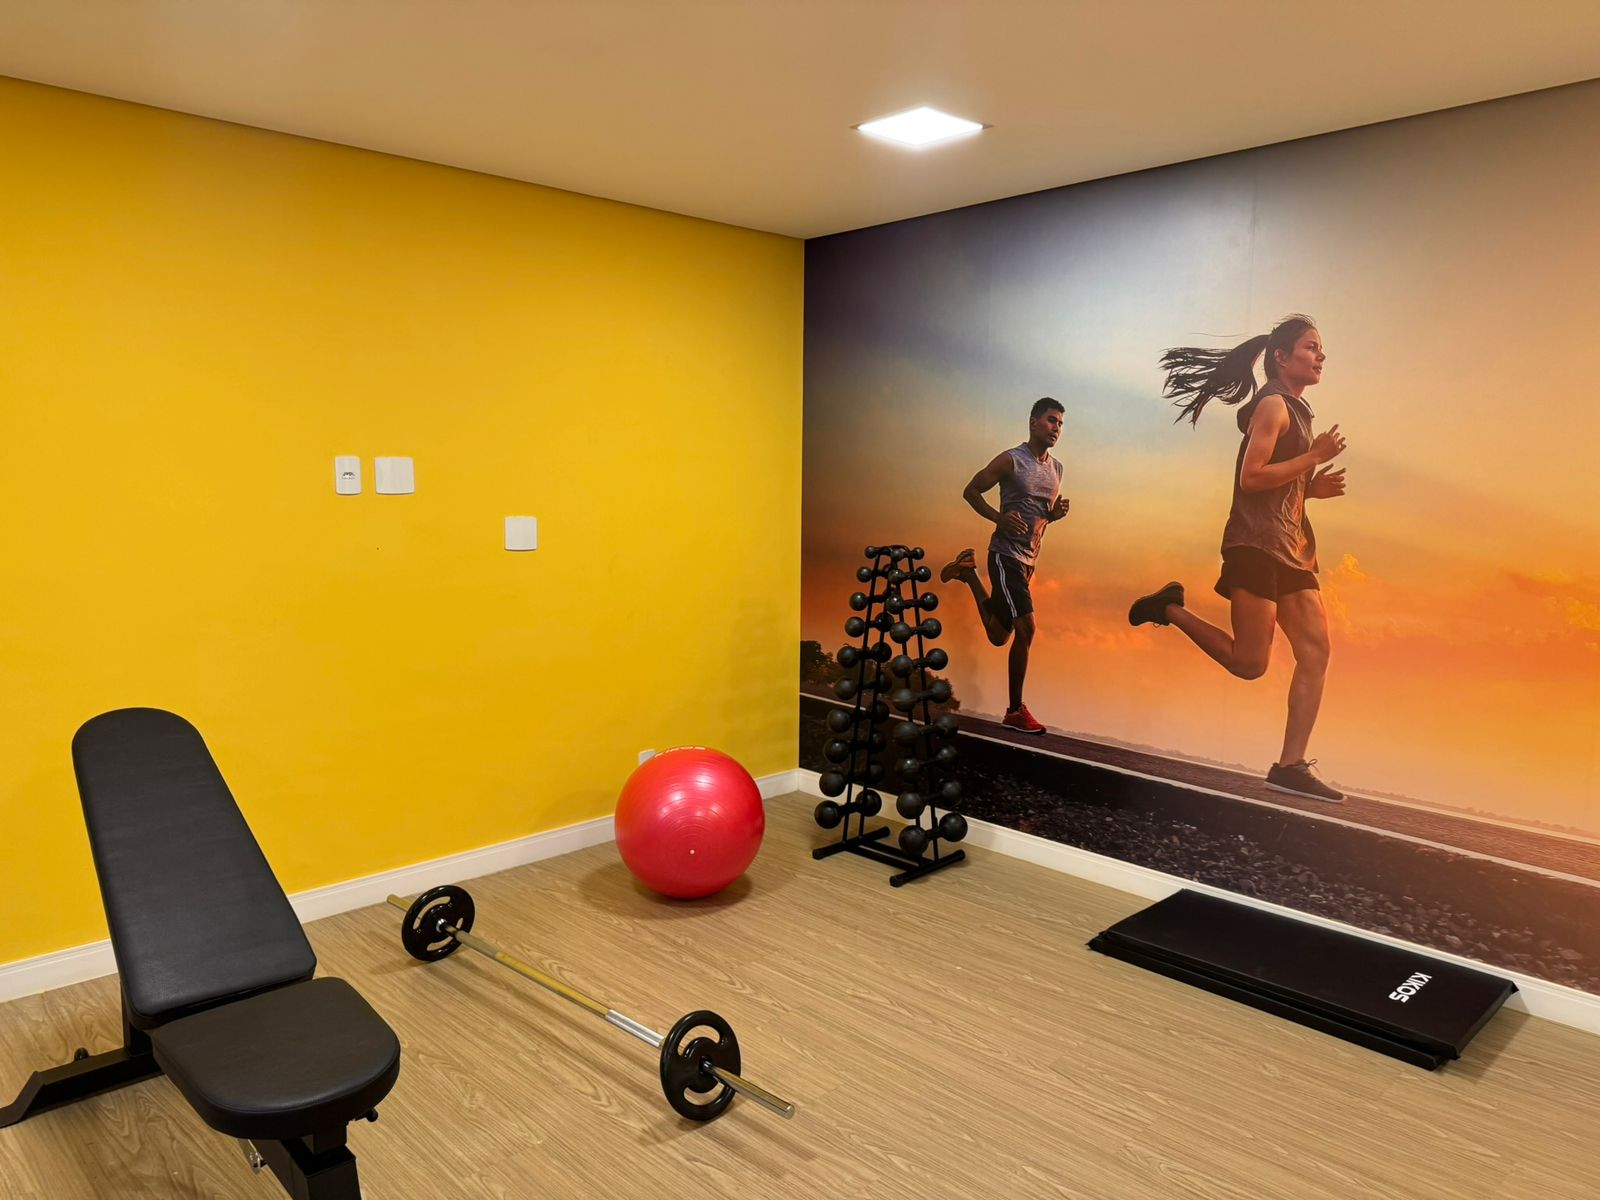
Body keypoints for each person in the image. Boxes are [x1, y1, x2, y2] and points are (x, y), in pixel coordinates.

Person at [1128, 314, 1348, 801]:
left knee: (1316, 651)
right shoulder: (1272, 406)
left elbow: (1277, 483)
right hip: (1255, 546)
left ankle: (1290, 765)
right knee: (1250, 664)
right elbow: (1251, 479)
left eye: (1320, 349)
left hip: (1293, 548)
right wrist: (1313, 458)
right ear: (1281, 357)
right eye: (1311, 347)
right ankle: (1168, 607)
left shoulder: (1297, 410)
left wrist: (1310, 489)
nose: (1320, 356)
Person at [940, 398, 1069, 734]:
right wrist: (998, 518)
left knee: (999, 635)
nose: (1056, 428)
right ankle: (1015, 710)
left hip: (1028, 562)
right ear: (1033, 422)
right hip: (1004, 556)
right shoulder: (1011, 460)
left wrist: (1053, 515)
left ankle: (967, 573)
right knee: (1027, 629)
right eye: (1051, 420)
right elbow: (971, 491)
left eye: (1060, 424)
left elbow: (1039, 515)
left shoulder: (1057, 469)